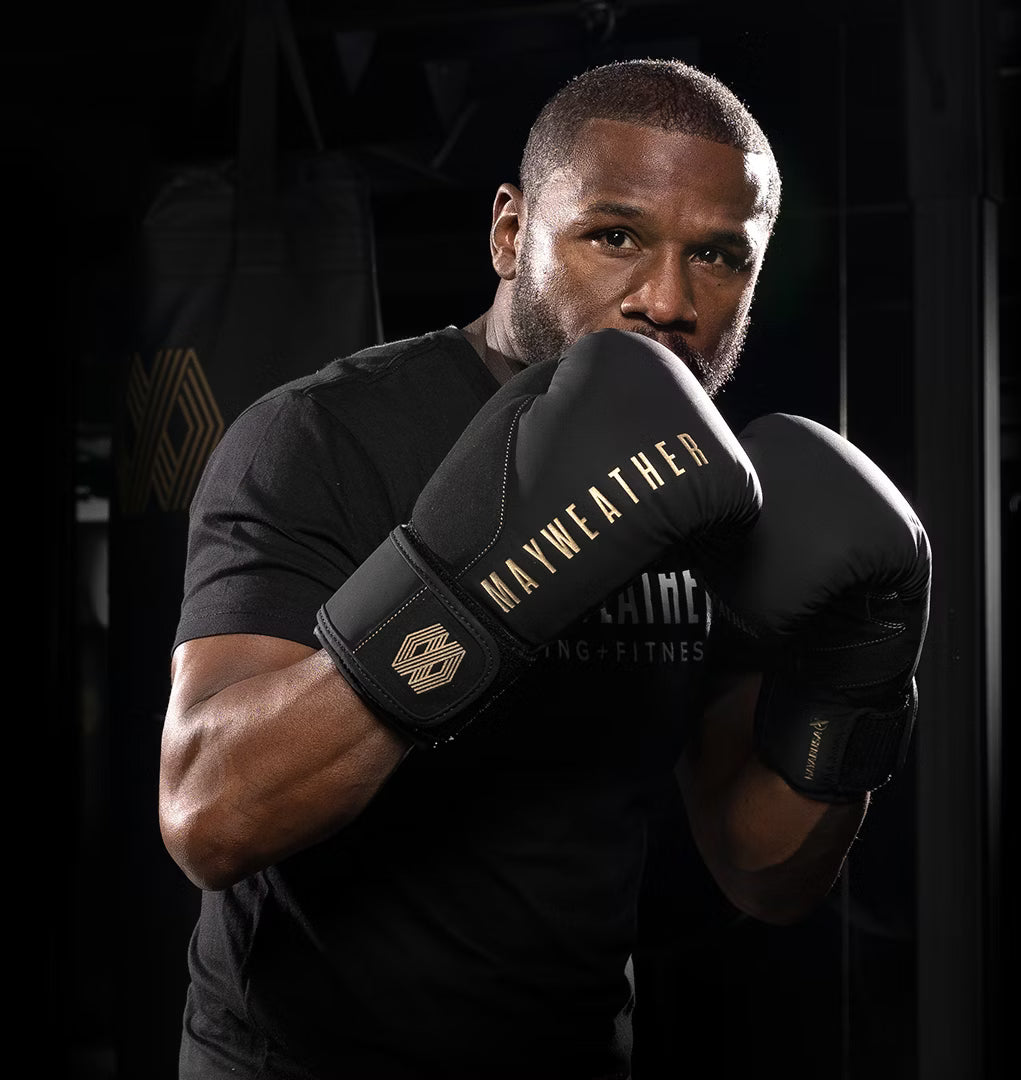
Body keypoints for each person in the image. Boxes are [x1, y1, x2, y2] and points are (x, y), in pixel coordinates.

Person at [160, 58, 929, 1079]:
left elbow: (765, 876)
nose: (667, 299)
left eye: (717, 256)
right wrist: (478, 587)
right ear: (511, 232)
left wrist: (853, 684)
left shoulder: (709, 495)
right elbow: (208, 819)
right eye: (615, 236)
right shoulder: (323, 436)